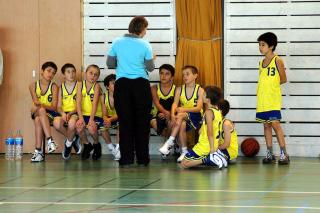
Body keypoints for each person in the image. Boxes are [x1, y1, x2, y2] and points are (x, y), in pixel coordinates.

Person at [107, 16, 155, 167]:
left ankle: (126, 159)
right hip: (141, 86)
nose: (146, 32)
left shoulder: (117, 42)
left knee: (126, 122)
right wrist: (152, 58)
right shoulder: (145, 45)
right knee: (142, 123)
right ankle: (143, 159)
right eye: (146, 29)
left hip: (122, 86)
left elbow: (110, 64)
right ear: (141, 29)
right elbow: (150, 68)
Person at [159, 65, 204, 163]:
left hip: (196, 117)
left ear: (195, 75)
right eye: (183, 75)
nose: (185, 77)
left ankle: (169, 142)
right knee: (181, 124)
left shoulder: (200, 90)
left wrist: (182, 109)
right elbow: (175, 103)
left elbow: (198, 108)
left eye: (187, 74)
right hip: (183, 117)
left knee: (180, 115)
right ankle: (184, 151)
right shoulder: (179, 89)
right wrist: (172, 115)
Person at [256, 32, 289, 165]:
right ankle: (270, 153)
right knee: (266, 126)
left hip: (273, 99)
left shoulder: (277, 60)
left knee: (275, 124)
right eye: (259, 45)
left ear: (271, 46)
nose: (260, 47)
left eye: (263, 45)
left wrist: (272, 88)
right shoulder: (261, 62)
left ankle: (284, 154)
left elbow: (284, 79)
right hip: (262, 100)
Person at [180, 86, 223, 169]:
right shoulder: (218, 111)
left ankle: (208, 159)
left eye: (204, 94)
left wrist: (212, 149)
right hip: (213, 144)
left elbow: (210, 132)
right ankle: (213, 159)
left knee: (184, 163)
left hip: (205, 145)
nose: (201, 95)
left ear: (208, 99)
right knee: (191, 162)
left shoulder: (208, 112)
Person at [29, 61, 59, 162]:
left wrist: (41, 105)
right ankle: (50, 141)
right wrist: (40, 106)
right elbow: (35, 103)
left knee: (38, 119)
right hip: (37, 110)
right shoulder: (33, 85)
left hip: (49, 113)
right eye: (49, 71)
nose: (51, 74)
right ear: (42, 71)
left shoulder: (54, 87)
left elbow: (54, 107)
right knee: (40, 111)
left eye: (53, 72)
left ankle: (38, 152)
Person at [53, 63, 81, 160]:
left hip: (75, 112)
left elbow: (80, 104)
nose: (71, 74)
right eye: (68, 72)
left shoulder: (79, 85)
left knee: (72, 124)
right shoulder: (61, 87)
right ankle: (73, 139)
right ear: (64, 74)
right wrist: (62, 113)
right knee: (56, 123)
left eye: (73, 71)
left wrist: (70, 113)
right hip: (64, 112)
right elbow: (59, 106)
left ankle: (68, 145)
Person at [75, 64, 103, 160]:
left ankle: (96, 144)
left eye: (96, 74)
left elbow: (95, 104)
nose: (93, 76)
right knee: (79, 127)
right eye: (91, 73)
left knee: (91, 128)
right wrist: (81, 118)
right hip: (83, 114)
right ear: (85, 73)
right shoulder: (79, 85)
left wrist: (91, 119)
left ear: (98, 77)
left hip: (95, 115)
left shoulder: (97, 86)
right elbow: (78, 102)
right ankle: (87, 145)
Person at [150, 64, 176, 137]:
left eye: (167, 74)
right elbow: (157, 103)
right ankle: (169, 142)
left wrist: (169, 114)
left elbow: (176, 104)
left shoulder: (176, 89)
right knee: (156, 125)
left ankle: (168, 144)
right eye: (161, 73)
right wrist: (165, 112)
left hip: (171, 114)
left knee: (172, 124)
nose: (163, 76)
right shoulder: (154, 88)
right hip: (156, 114)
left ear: (172, 77)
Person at [101, 74, 121, 161]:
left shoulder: (122, 95)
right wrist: (106, 120)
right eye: (113, 83)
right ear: (107, 86)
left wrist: (110, 119)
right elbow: (104, 113)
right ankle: (111, 148)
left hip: (119, 117)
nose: (116, 85)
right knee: (102, 127)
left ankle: (118, 148)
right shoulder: (103, 97)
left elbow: (121, 113)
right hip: (109, 118)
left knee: (121, 125)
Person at [216, 99, 239, 164]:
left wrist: (215, 149)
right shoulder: (217, 121)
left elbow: (226, 144)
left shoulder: (226, 123)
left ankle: (221, 159)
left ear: (220, 111)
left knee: (208, 157)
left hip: (229, 152)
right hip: (222, 149)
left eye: (215, 108)